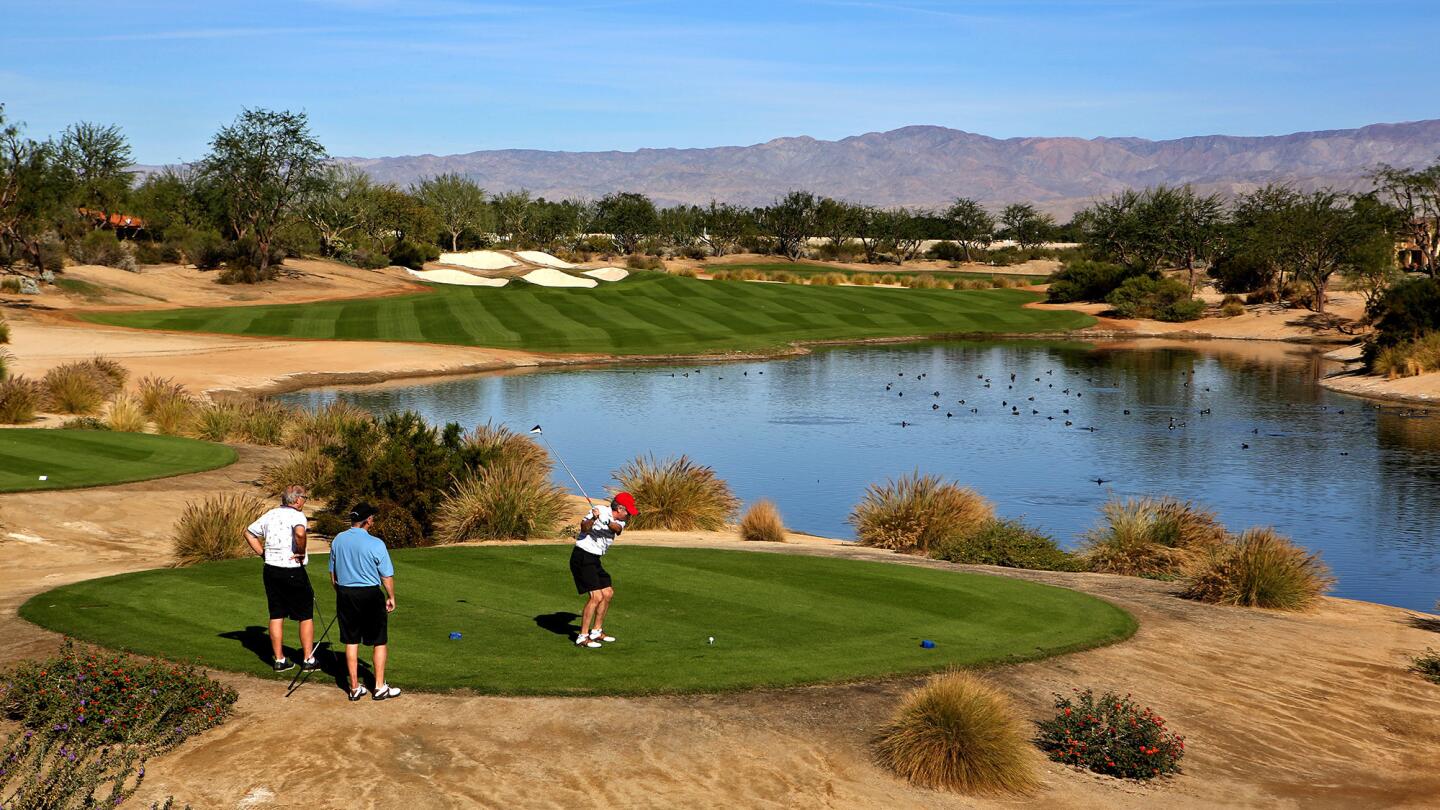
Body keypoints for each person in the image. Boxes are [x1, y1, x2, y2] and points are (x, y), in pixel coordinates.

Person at [329, 503, 400, 701]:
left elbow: (333, 575)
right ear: (367, 520)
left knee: (351, 641)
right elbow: (386, 575)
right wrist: (391, 596)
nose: (373, 520)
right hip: (369, 594)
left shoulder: (338, 540)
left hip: (345, 593)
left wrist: (342, 594)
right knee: (379, 640)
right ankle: (378, 687)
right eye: (372, 517)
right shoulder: (376, 543)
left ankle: (353, 688)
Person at [244, 485, 318, 673]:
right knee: (305, 614)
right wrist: (300, 552)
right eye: (304, 498)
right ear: (297, 499)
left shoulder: (271, 514)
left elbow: (249, 533)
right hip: (292, 569)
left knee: (276, 613)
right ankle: (308, 659)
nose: (304, 501)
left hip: (271, 569)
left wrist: (263, 554)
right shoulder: (297, 516)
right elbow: (300, 533)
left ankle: (279, 659)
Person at [569, 492, 638, 649]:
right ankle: (582, 636)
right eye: (627, 511)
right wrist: (594, 519)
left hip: (594, 559)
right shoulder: (599, 510)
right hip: (582, 557)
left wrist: (606, 522)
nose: (629, 515)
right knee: (596, 596)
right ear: (619, 508)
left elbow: (617, 529)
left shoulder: (620, 521)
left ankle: (596, 631)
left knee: (607, 593)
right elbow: (584, 528)